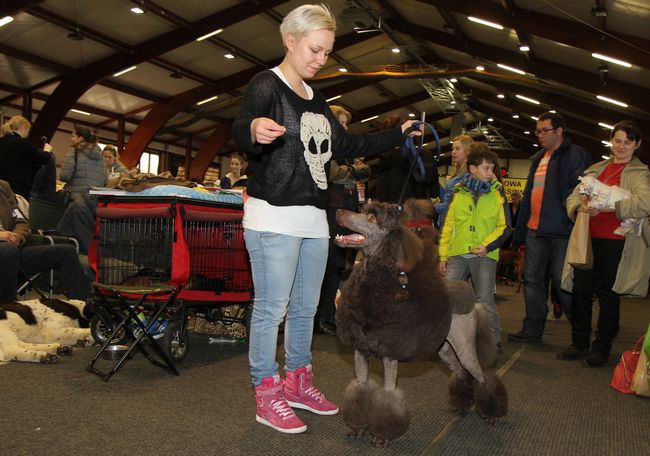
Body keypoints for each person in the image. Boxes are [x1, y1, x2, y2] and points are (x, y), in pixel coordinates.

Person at [230, 3, 420, 434]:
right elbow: (243, 125)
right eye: (315, 50)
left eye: (327, 52)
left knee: (304, 309)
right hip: (273, 217)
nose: (321, 60)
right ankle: (266, 392)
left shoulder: (316, 97)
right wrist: (254, 130)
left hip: (315, 218)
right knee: (271, 310)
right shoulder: (267, 85)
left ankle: (298, 382)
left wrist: (399, 133)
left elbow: (347, 145)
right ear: (290, 41)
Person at [557, 121, 650, 367]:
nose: (621, 146)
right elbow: (573, 196)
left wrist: (611, 206)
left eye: (627, 142)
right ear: (611, 141)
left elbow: (644, 203)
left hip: (617, 240)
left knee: (608, 294)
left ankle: (602, 347)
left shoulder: (640, 172)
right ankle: (579, 343)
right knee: (580, 291)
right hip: (587, 237)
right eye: (617, 141)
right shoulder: (596, 168)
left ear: (637, 144)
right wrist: (580, 208)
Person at [508, 112, 592, 344]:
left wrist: (569, 216)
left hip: (562, 232)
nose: (540, 135)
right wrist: (521, 232)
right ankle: (532, 328)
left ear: (559, 131)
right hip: (535, 230)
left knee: (562, 281)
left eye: (544, 130)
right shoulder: (538, 159)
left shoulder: (576, 155)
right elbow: (529, 199)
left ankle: (580, 331)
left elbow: (582, 191)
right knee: (532, 280)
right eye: (538, 131)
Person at [438, 143, 510, 348]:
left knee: (485, 301)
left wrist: (487, 246)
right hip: (457, 255)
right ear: (473, 169)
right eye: (486, 168)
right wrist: (443, 256)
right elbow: (448, 227)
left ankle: (493, 340)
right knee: (446, 297)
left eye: (492, 168)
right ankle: (442, 338)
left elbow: (504, 228)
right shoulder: (458, 193)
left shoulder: (498, 194)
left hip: (485, 257)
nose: (491, 173)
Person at [315, 105, 371, 335]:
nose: (346, 127)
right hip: (332, 210)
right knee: (330, 264)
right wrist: (352, 169)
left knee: (342, 265)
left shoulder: (344, 149)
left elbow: (365, 171)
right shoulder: (324, 147)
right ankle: (322, 317)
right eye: (342, 123)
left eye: (347, 123)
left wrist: (352, 169)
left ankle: (329, 315)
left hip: (348, 211)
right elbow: (334, 173)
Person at [0, 180, 90, 302]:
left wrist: (16, 236)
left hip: (14, 249)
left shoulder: (3, 187)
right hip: (7, 252)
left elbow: (20, 221)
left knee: (67, 251)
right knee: (8, 251)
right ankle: (8, 308)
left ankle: (84, 307)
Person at [0, 116, 53, 199]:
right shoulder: (24, 143)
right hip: (18, 188)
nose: (28, 133)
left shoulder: (1, 141)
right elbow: (41, 159)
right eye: (28, 129)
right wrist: (46, 151)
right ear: (23, 127)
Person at [435, 134, 473, 228]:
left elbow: (455, 205)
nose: (453, 152)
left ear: (467, 151)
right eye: (453, 149)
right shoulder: (457, 173)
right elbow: (448, 197)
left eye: (457, 149)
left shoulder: (468, 175)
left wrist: (432, 208)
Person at [59, 125, 107, 200]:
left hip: (75, 197)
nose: (71, 139)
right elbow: (104, 180)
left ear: (80, 138)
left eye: (73, 136)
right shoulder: (101, 155)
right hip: (94, 199)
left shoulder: (73, 151)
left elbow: (65, 176)